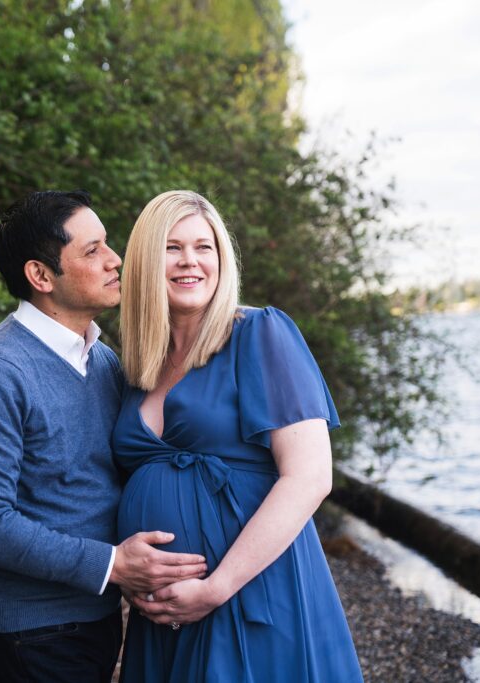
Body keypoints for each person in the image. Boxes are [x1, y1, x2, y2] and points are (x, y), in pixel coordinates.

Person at [0, 190, 208, 683]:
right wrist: (113, 564)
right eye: (91, 251)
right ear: (41, 276)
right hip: (28, 632)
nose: (115, 260)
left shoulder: (101, 360)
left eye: (107, 244)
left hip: (95, 617)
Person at [114, 190, 363, 682]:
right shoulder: (138, 364)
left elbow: (310, 477)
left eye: (204, 247)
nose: (190, 261)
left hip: (250, 590)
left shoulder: (259, 334)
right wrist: (127, 570)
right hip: (164, 610)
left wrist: (216, 588)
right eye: (172, 247)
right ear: (145, 261)